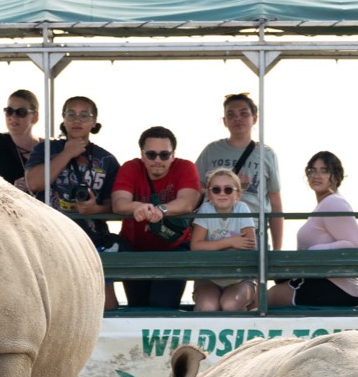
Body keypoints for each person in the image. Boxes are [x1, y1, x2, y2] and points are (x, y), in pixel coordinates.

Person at [24, 96, 121, 308]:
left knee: (106, 303)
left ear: (94, 121)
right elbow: (34, 183)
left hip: (92, 239)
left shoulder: (107, 160)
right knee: (56, 302)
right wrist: (67, 153)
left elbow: (115, 205)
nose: (77, 120)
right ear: (63, 119)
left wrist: (95, 209)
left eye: (84, 115)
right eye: (71, 114)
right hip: (49, 237)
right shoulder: (45, 149)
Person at [111, 127, 202, 309]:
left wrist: (160, 210)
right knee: (137, 307)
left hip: (174, 248)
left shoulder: (185, 167)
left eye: (164, 155)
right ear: (142, 155)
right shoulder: (131, 167)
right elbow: (119, 203)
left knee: (163, 306)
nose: (158, 160)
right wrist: (138, 207)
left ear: (173, 155)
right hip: (135, 249)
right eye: (151, 154)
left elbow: (187, 202)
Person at [268, 152, 358, 307]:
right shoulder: (324, 204)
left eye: (324, 170)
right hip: (319, 280)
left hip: (339, 289)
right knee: (266, 295)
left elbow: (354, 244)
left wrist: (315, 250)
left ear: (336, 177)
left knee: (266, 298)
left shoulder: (333, 203)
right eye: (312, 170)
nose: (316, 175)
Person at [195, 93, 284, 249]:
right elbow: (195, 189)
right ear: (224, 121)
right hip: (214, 227)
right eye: (231, 115)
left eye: (244, 114)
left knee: (253, 273)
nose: (237, 119)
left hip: (253, 226)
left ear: (254, 118)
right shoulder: (212, 150)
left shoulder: (267, 154)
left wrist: (277, 249)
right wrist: (224, 189)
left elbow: (275, 202)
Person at [191, 168, 257, 312]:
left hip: (240, 278)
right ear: (209, 194)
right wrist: (230, 242)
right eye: (216, 189)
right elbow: (196, 245)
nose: (222, 193)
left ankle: (241, 331)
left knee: (230, 305)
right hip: (208, 278)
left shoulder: (242, 208)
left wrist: (211, 247)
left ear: (238, 194)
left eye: (228, 190)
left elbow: (250, 244)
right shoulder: (206, 209)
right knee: (208, 306)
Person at [0, 89, 40, 190]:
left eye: (21, 112)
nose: (13, 116)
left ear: (35, 117)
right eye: (9, 111)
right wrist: (11, 189)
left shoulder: (47, 148)